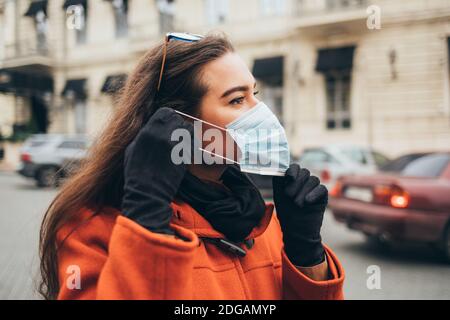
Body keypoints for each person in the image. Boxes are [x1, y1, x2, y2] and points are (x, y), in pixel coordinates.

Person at [38, 33, 344, 300]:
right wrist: (146, 222)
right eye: (237, 100)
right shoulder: (92, 228)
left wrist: (306, 253)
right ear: (179, 124)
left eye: (256, 94)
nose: (263, 112)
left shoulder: (263, 225)